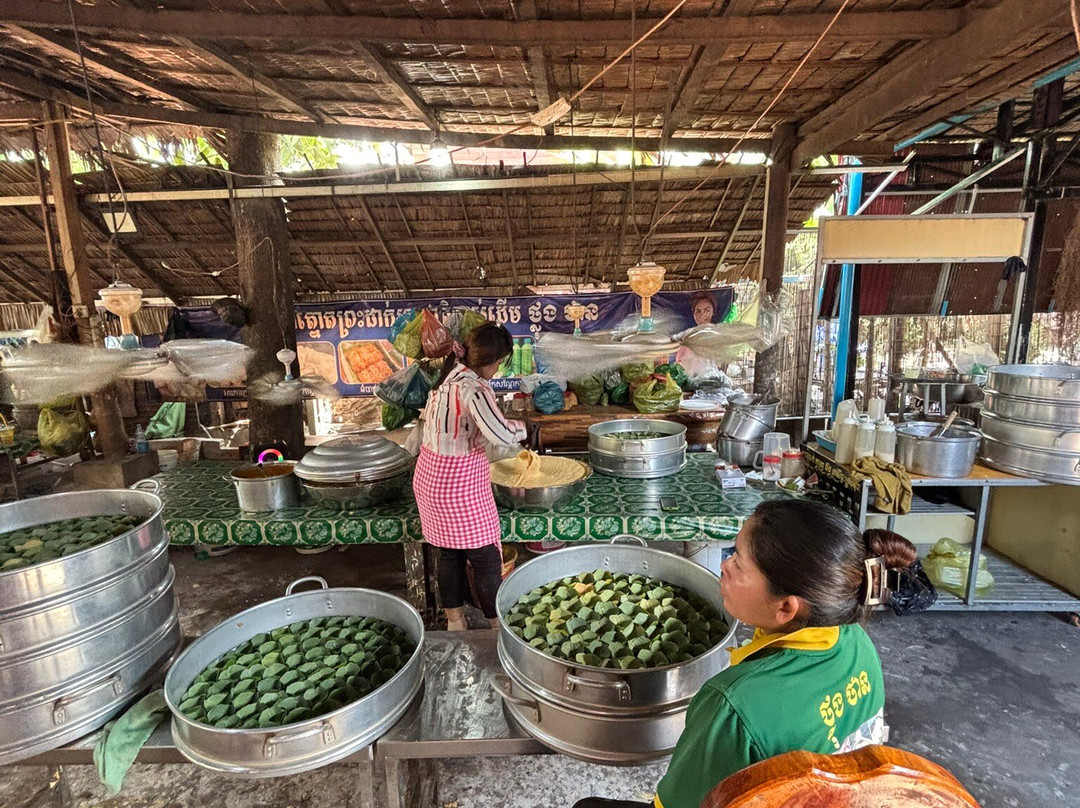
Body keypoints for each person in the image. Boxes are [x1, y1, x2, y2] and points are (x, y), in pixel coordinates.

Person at [574, 499, 922, 808]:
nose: (724, 566)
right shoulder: (857, 642)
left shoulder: (734, 706)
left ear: (785, 608)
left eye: (738, 562)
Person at [413, 322, 534, 631]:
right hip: (457, 483)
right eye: (499, 363)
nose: (497, 369)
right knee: (485, 558)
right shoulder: (474, 387)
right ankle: (496, 627)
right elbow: (498, 433)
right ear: (493, 360)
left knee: (450, 554)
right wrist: (525, 430)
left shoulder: (451, 376)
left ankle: (456, 624)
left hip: (430, 478)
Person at [675, 290, 720, 378]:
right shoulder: (687, 336)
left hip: (711, 382)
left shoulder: (718, 334)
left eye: (707, 310)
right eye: (698, 311)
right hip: (689, 383)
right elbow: (679, 361)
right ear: (693, 314)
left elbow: (720, 361)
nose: (702, 315)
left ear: (713, 312)